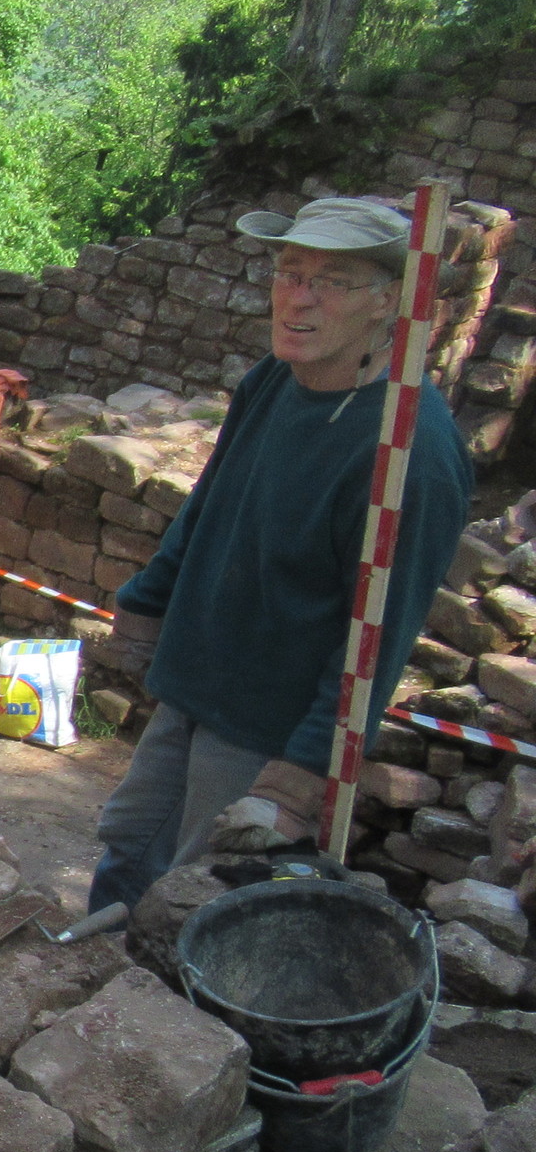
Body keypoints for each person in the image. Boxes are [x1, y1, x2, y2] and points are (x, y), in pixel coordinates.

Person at [89, 196, 470, 909]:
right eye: (290, 272)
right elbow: (211, 502)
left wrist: (300, 777)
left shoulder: (408, 458)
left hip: (268, 727)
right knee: (128, 846)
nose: (298, 298)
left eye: (331, 282)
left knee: (193, 898)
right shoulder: (274, 379)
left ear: (388, 300)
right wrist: (147, 602)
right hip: (197, 678)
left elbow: (378, 640)